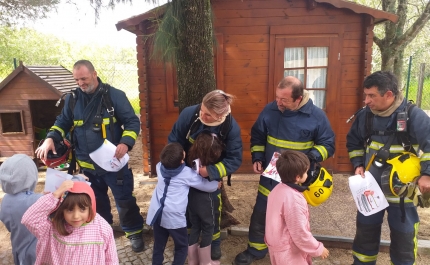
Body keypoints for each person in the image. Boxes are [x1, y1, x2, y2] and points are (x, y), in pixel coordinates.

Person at [35, 59, 144, 252]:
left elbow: (132, 122)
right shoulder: (72, 99)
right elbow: (62, 121)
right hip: (87, 166)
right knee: (96, 201)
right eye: (77, 80)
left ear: (94, 74)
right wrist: (50, 138)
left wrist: (125, 143)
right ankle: (103, 230)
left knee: (125, 199)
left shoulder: (115, 96)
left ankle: (133, 231)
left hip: (114, 164)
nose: (80, 83)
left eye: (84, 78)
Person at [234, 76, 335, 265]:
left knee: (295, 218)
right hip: (271, 173)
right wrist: (257, 157)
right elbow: (258, 135)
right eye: (277, 97)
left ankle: (295, 254)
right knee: (262, 212)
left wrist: (310, 157)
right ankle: (256, 250)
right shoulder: (270, 109)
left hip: (296, 176)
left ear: (298, 99)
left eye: (284, 100)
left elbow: (328, 145)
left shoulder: (316, 116)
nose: (277, 103)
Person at [346, 71, 430, 265]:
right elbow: (354, 142)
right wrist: (358, 164)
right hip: (370, 190)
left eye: (371, 96)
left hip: (402, 193)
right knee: (365, 234)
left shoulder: (413, 116)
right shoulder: (365, 116)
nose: (366, 100)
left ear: (389, 95)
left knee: (404, 239)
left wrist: (427, 174)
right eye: (365, 95)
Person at [168, 89, 243, 260]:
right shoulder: (189, 114)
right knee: (186, 207)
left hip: (211, 173)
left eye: (208, 115)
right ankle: (188, 243)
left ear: (220, 115)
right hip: (185, 169)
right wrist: (179, 164)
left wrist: (210, 171)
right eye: (201, 110)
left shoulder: (230, 127)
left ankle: (213, 244)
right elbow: (174, 139)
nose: (202, 116)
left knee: (212, 212)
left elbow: (234, 159)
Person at [146, 142, 219, 265]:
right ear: (181, 161)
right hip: (174, 217)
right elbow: (205, 186)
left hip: (157, 212)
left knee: (158, 246)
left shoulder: (159, 167)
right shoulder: (186, 173)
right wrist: (216, 184)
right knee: (181, 247)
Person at [22, 180, 119, 264]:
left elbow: (111, 260)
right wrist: (55, 195)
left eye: (82, 209)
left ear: (91, 207)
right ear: (62, 209)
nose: (76, 216)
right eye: (69, 210)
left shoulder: (102, 228)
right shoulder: (52, 228)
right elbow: (29, 219)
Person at [265, 150, 329, 264]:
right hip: (289, 252)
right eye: (306, 172)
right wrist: (318, 249)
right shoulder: (293, 199)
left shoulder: (277, 190)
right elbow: (300, 233)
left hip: (277, 247)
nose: (308, 174)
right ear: (298, 177)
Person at [187, 131, 225, 265]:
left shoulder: (192, 162)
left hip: (191, 200)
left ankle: (192, 260)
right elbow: (207, 184)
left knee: (195, 226)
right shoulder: (209, 166)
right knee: (209, 227)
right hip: (206, 201)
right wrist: (216, 184)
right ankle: (206, 261)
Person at [0, 154, 43, 265]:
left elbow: (9, 225)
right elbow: (57, 202)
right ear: (31, 176)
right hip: (36, 253)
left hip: (18, 249)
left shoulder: (6, 200)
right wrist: (77, 180)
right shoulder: (35, 201)